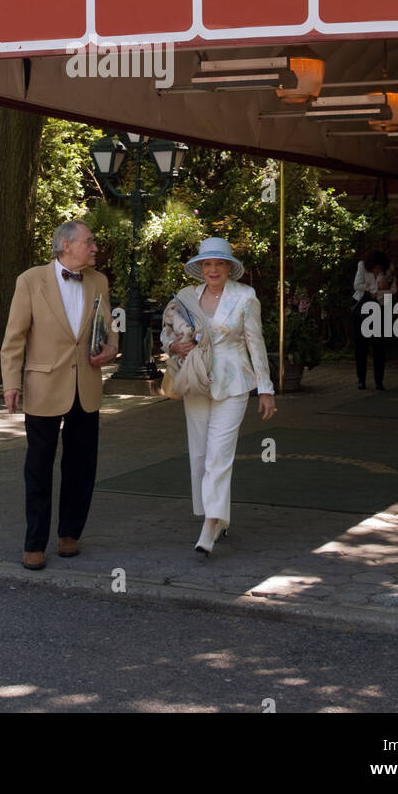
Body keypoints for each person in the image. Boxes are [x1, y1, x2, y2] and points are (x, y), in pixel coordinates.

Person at [0, 220, 117, 570]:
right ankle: (34, 542)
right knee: (38, 467)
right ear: (66, 245)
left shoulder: (99, 281)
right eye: (89, 241)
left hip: (87, 387)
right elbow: (14, 337)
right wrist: (11, 382)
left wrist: (111, 349)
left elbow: (109, 330)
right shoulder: (30, 280)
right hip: (44, 385)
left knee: (81, 466)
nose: (95, 247)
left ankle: (70, 534)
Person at [162, 237, 276, 556]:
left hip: (233, 381)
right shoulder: (186, 297)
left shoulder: (245, 297)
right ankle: (216, 513)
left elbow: (256, 342)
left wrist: (265, 388)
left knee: (218, 455)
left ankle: (211, 524)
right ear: (200, 268)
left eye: (219, 264)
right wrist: (173, 346)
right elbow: (166, 331)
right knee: (199, 453)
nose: (213, 269)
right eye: (207, 264)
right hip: (195, 379)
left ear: (229, 267)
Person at [351, 248, 396, 390]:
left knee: (379, 346)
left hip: (381, 307)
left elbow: (393, 289)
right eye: (375, 267)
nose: (377, 269)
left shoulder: (389, 271)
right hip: (363, 308)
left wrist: (380, 287)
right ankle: (361, 379)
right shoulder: (362, 266)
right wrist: (376, 288)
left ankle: (379, 380)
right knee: (361, 345)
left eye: (380, 268)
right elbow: (357, 285)